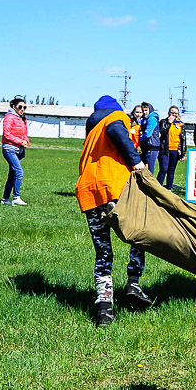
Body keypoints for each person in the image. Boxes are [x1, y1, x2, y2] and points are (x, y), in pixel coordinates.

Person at [76, 95, 153, 327]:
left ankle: (104, 307)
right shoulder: (115, 118)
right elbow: (117, 131)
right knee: (140, 233)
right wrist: (136, 161)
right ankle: (133, 282)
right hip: (115, 188)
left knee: (103, 251)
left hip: (90, 191)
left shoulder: (93, 128)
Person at [1, 97, 30, 206]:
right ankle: (16, 197)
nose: (22, 109)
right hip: (9, 149)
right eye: (20, 107)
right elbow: (7, 134)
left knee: (13, 174)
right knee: (19, 172)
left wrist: (26, 141)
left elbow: (25, 133)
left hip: (19, 149)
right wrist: (20, 141)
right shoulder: (9, 117)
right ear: (14, 106)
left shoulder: (22, 118)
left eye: (24, 107)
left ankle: (5, 199)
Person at [156, 106, 184, 189]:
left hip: (175, 150)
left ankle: (169, 188)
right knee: (163, 169)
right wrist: (169, 122)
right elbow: (162, 132)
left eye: (176, 113)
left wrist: (182, 152)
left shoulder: (180, 124)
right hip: (164, 149)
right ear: (169, 113)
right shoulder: (163, 122)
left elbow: (183, 139)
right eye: (172, 112)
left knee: (171, 171)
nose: (174, 114)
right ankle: (157, 189)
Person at [139, 102, 161, 174]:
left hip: (152, 146)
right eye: (143, 110)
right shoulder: (144, 119)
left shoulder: (152, 119)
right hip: (148, 146)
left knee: (149, 171)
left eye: (146, 110)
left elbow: (147, 134)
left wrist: (139, 138)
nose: (144, 112)